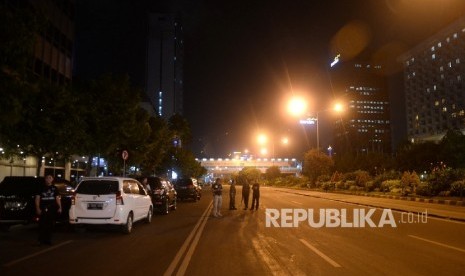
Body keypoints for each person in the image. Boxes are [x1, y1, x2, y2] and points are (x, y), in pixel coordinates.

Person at [35, 175, 62, 245]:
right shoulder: (41, 188)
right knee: (42, 224)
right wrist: (38, 208)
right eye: (47, 178)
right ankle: (40, 240)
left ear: (52, 179)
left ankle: (48, 240)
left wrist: (60, 207)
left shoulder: (54, 188)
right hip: (43, 207)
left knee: (50, 224)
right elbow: (37, 198)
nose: (48, 179)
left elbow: (57, 198)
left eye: (50, 178)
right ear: (45, 179)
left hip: (52, 208)